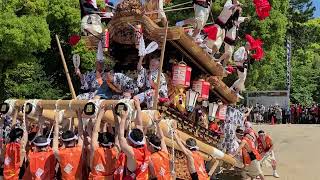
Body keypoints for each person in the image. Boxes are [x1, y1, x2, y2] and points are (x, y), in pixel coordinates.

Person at [116, 98, 150, 179]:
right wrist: (138, 107)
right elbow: (139, 125)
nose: (127, 137)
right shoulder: (143, 143)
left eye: (128, 138)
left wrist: (123, 118)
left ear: (133, 143)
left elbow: (120, 136)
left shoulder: (131, 153)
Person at [89, 106, 120, 179]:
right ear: (112, 142)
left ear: (99, 142)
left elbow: (95, 132)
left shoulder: (96, 149)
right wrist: (115, 115)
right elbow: (118, 134)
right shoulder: (115, 150)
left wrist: (100, 115)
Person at [53, 110, 85, 180]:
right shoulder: (79, 149)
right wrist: (79, 116)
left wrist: (56, 121)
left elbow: (55, 136)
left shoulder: (59, 153)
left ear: (62, 141)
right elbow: (80, 133)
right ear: (74, 140)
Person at [147, 113, 172, 180]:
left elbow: (153, 175)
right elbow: (162, 138)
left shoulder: (150, 158)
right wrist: (157, 124)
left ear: (151, 146)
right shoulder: (164, 152)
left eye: (148, 144)